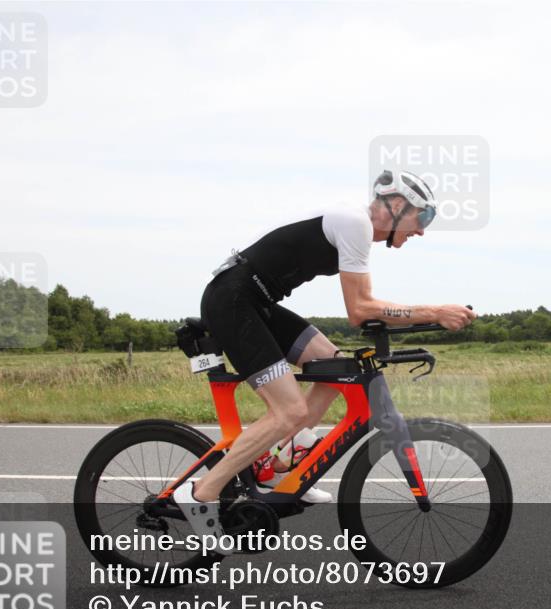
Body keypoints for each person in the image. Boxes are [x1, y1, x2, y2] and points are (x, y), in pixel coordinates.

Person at [174, 170, 476, 544]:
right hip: (233, 300)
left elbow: (364, 308)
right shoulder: (355, 223)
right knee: (290, 412)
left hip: (256, 302)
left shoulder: (356, 230)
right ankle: (202, 492)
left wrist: (419, 320)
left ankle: (277, 464)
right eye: (423, 217)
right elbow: (360, 309)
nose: (422, 230)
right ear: (397, 206)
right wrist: (434, 312)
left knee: (337, 368)